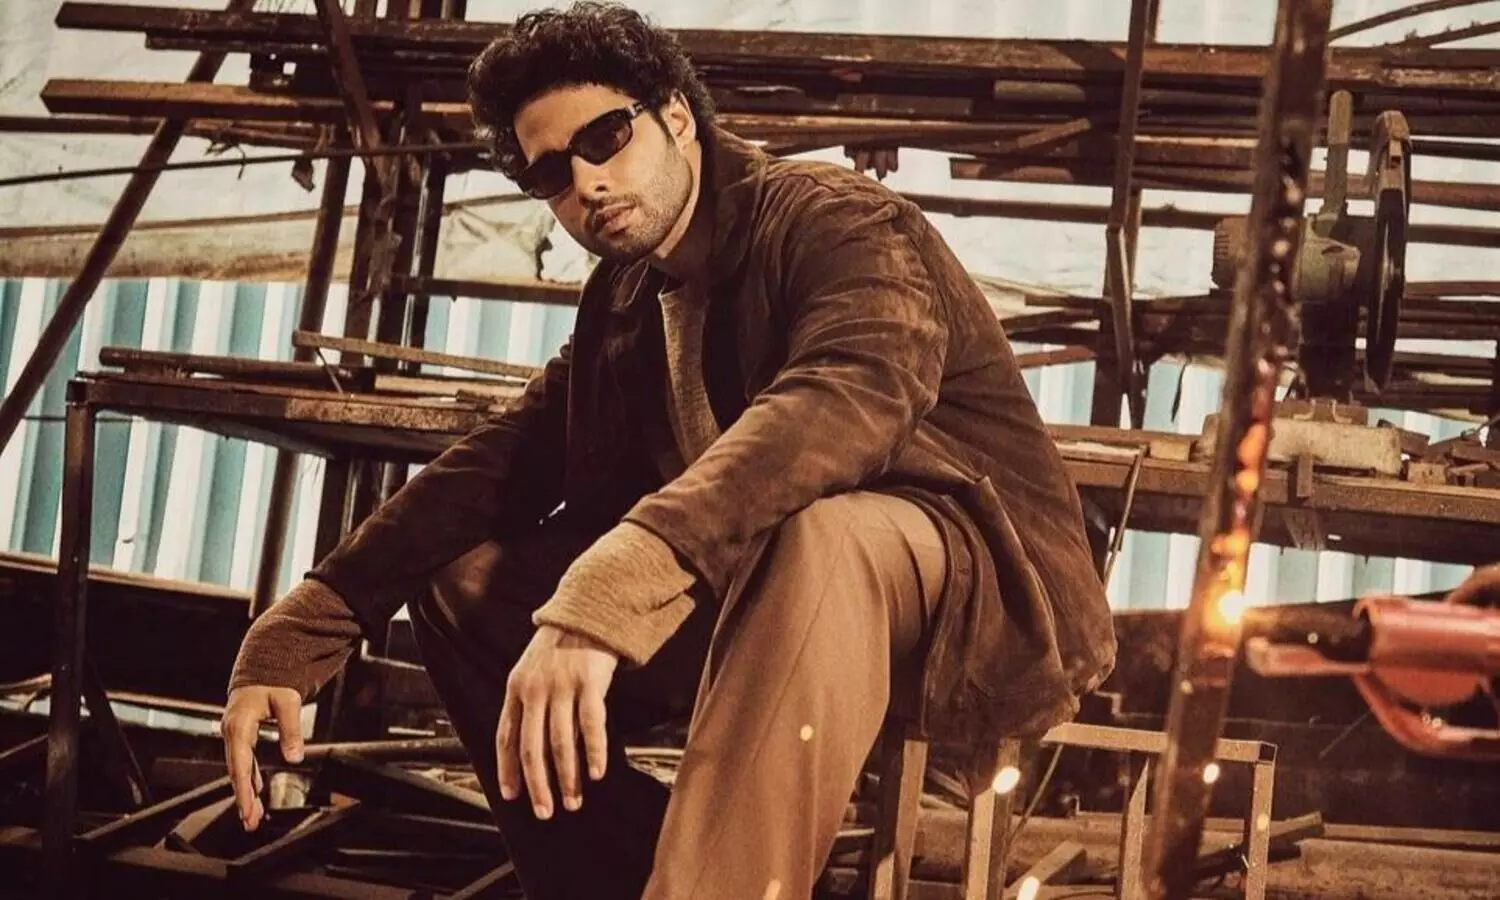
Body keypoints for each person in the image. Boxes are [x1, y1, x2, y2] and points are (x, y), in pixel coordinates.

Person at [220, 3, 1116, 898]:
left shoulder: (835, 220)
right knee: (466, 587)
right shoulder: (624, 301)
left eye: (605, 138)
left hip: (968, 595)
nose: (587, 184)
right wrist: (314, 619)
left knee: (821, 532)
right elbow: (509, 455)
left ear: (677, 116)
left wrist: (617, 581)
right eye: (551, 174)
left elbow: (844, 400)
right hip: (755, 602)